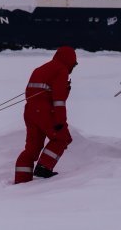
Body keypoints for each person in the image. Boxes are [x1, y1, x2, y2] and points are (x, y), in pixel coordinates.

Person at [14, 46, 78, 184]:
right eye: (74, 64)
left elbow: (31, 92)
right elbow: (59, 100)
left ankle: (21, 181)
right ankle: (43, 168)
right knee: (62, 138)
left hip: (30, 112)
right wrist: (61, 121)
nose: (73, 68)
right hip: (45, 112)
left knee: (31, 149)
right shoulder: (61, 70)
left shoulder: (40, 69)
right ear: (70, 61)